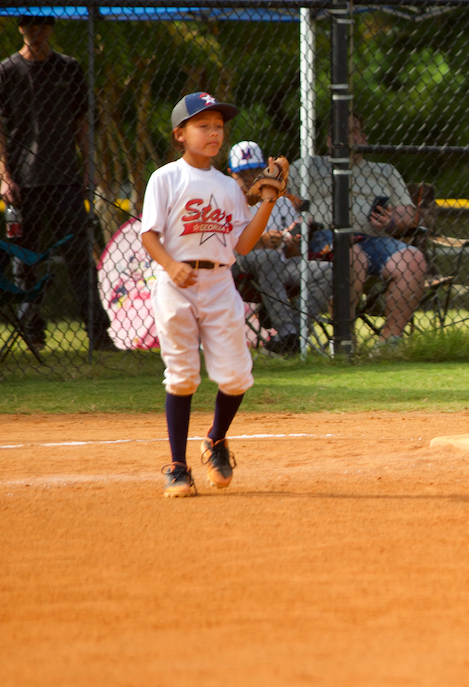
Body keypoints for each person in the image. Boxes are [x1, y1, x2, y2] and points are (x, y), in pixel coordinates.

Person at [140, 92, 282, 498]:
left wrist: (267, 203)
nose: (214, 132)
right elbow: (148, 235)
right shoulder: (165, 178)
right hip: (176, 284)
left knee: (236, 376)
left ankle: (215, 440)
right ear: (180, 134)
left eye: (219, 126)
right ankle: (177, 466)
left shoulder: (228, 186)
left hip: (220, 283)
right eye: (203, 125)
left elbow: (243, 245)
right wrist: (170, 265)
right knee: (183, 376)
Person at [0, 15, 113, 351]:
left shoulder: (69, 69)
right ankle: (32, 332)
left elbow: (82, 123)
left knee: (79, 258)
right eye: (30, 27)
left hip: (66, 181)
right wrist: (5, 178)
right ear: (20, 29)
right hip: (22, 185)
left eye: (42, 27)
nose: (36, 33)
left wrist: (89, 168)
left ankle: (98, 335)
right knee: (24, 262)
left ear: (51, 29)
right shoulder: (5, 71)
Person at [291, 114, 430, 347]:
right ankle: (345, 339)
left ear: (364, 138)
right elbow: (278, 203)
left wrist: (391, 220)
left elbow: (408, 215)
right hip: (324, 238)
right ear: (329, 140)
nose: (350, 137)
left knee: (413, 259)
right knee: (352, 254)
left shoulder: (384, 171)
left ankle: (389, 342)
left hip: (374, 238)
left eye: (355, 131)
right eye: (342, 133)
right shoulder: (306, 167)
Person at [227, 140, 331, 356]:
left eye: (254, 170)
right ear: (230, 173)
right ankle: (288, 334)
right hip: (239, 265)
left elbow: (295, 252)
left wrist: (293, 243)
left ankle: (295, 333)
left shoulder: (279, 198)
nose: (249, 178)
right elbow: (219, 244)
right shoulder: (223, 198)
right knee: (267, 256)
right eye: (241, 173)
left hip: (280, 264)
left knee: (327, 271)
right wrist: (260, 241)